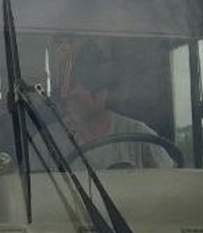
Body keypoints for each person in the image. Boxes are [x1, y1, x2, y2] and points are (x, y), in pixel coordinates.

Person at [57, 40, 175, 169]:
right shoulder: (49, 141)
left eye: (73, 86)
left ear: (101, 93)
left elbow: (172, 182)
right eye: (64, 87)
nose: (66, 95)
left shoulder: (140, 137)